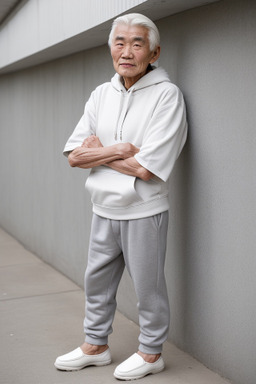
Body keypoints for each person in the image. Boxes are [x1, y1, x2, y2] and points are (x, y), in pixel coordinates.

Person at [54, 13, 187, 381]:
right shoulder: (101, 94)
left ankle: (150, 353)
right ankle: (95, 346)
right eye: (119, 42)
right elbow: (74, 156)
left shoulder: (167, 96)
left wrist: (103, 152)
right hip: (102, 208)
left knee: (149, 288)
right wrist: (124, 149)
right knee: (96, 282)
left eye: (137, 43)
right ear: (110, 48)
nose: (126, 51)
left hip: (144, 210)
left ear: (154, 51)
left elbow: (148, 169)